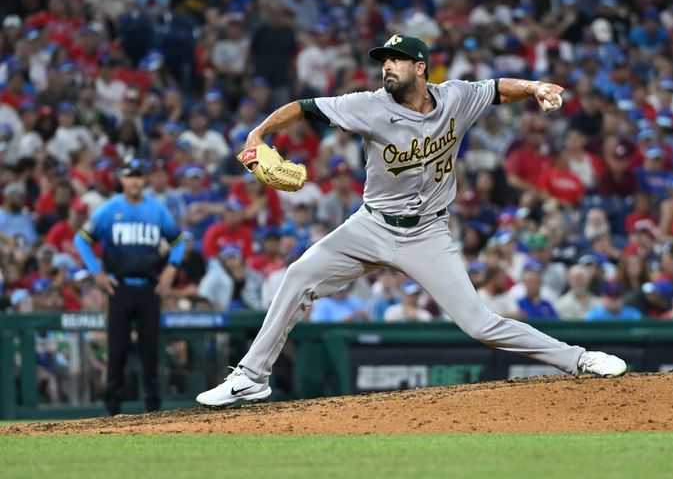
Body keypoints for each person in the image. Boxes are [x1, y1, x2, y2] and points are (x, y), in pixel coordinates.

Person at [197, 33, 626, 407]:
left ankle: (579, 359)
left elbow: (497, 89)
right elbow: (302, 106)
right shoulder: (366, 106)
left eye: (395, 60)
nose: (386, 67)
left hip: (427, 233)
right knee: (297, 276)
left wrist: (534, 87)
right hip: (371, 225)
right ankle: (250, 379)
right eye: (383, 61)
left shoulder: (455, 97)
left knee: (479, 323)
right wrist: (258, 134)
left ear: (420, 68)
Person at [74, 157, 185, 415]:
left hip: (149, 287)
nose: (134, 181)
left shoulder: (157, 210)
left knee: (150, 352)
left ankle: (153, 410)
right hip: (119, 288)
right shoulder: (109, 209)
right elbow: (81, 240)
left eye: (138, 176)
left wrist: (171, 268)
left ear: (144, 180)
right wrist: (97, 273)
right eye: (129, 176)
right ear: (122, 180)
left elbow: (178, 240)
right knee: (117, 352)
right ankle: (112, 411)